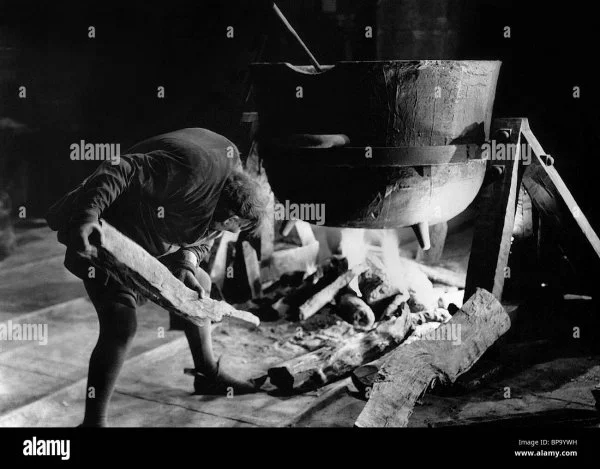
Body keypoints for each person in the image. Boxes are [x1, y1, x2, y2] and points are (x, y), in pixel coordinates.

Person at [46, 128, 268, 427]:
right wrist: (88, 216)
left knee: (199, 288)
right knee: (120, 324)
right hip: (109, 226)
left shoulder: (230, 186)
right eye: (234, 227)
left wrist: (187, 264)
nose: (232, 232)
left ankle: (208, 374)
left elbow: (207, 237)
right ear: (231, 217)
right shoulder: (190, 174)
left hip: (159, 229)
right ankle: (93, 423)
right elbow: (120, 166)